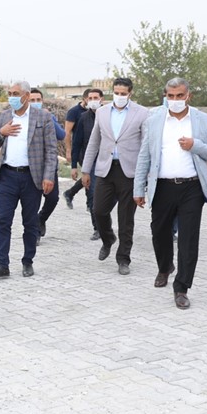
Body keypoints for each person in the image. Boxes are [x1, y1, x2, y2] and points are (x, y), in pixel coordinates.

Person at [133, 77, 207, 310]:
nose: (175, 100)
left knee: (188, 239)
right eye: (171, 96)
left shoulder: (203, 120)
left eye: (180, 95)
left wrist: (195, 145)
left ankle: (181, 287)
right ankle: (165, 267)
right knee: (159, 232)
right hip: (162, 187)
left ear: (188, 95)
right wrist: (138, 188)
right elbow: (144, 156)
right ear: (165, 96)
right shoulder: (153, 121)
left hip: (192, 187)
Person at [0, 81, 58, 279]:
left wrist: (48, 176)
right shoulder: (4, 116)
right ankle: (2, 264)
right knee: (3, 221)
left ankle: (28, 261)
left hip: (31, 177)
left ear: (26, 95)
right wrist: (1, 132)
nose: (12, 97)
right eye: (9, 93)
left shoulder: (43, 117)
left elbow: (51, 150)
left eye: (15, 93)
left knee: (30, 222)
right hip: (7, 176)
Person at [81, 77, 149, 275]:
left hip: (129, 172)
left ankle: (123, 259)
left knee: (126, 219)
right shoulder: (102, 112)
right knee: (99, 210)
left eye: (123, 93)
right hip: (106, 170)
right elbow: (94, 142)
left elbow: (146, 145)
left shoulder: (142, 113)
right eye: (116, 93)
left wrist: (144, 176)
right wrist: (86, 170)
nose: (119, 96)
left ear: (130, 93)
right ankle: (108, 238)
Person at [63, 88, 103, 240]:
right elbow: (77, 142)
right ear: (86, 99)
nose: (93, 100)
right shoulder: (83, 118)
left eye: (95, 97)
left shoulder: (108, 116)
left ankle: (104, 223)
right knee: (92, 193)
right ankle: (97, 228)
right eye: (90, 98)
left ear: (101, 99)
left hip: (107, 161)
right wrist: (74, 165)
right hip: (89, 161)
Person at [29, 88, 66, 241]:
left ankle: (41, 219)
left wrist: (49, 117)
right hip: (31, 168)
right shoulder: (23, 119)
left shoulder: (48, 116)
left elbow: (61, 135)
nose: (35, 103)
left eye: (38, 100)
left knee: (53, 198)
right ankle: (35, 233)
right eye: (32, 100)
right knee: (32, 202)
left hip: (49, 166)